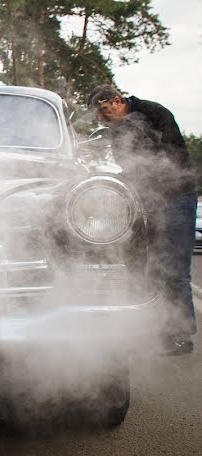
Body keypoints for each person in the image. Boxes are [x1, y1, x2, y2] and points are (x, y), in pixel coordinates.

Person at [88, 84, 197, 356]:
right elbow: (130, 167)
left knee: (174, 269)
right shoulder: (117, 130)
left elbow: (170, 158)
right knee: (152, 267)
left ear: (116, 101)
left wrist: (139, 175)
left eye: (103, 110)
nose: (101, 118)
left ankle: (181, 336)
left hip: (177, 197)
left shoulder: (154, 113)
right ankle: (159, 329)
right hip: (150, 201)